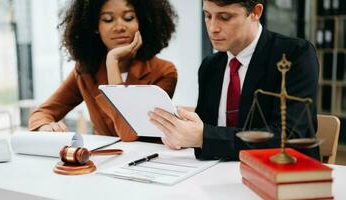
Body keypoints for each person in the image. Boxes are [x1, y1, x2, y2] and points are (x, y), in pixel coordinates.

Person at [149, 0, 320, 160]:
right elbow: (206, 127)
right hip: (220, 173)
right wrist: (181, 134)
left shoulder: (295, 55)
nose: (213, 28)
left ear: (255, 12)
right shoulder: (210, 66)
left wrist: (202, 137)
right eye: (207, 16)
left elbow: (288, 135)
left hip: (284, 175)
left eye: (224, 17)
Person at [29, 0, 178, 141]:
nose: (119, 27)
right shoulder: (85, 71)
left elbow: (128, 134)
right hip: (102, 161)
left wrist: (112, 61)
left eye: (128, 18)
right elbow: (42, 113)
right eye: (108, 19)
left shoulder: (164, 72)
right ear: (95, 27)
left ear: (142, 22)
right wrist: (46, 127)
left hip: (146, 162)